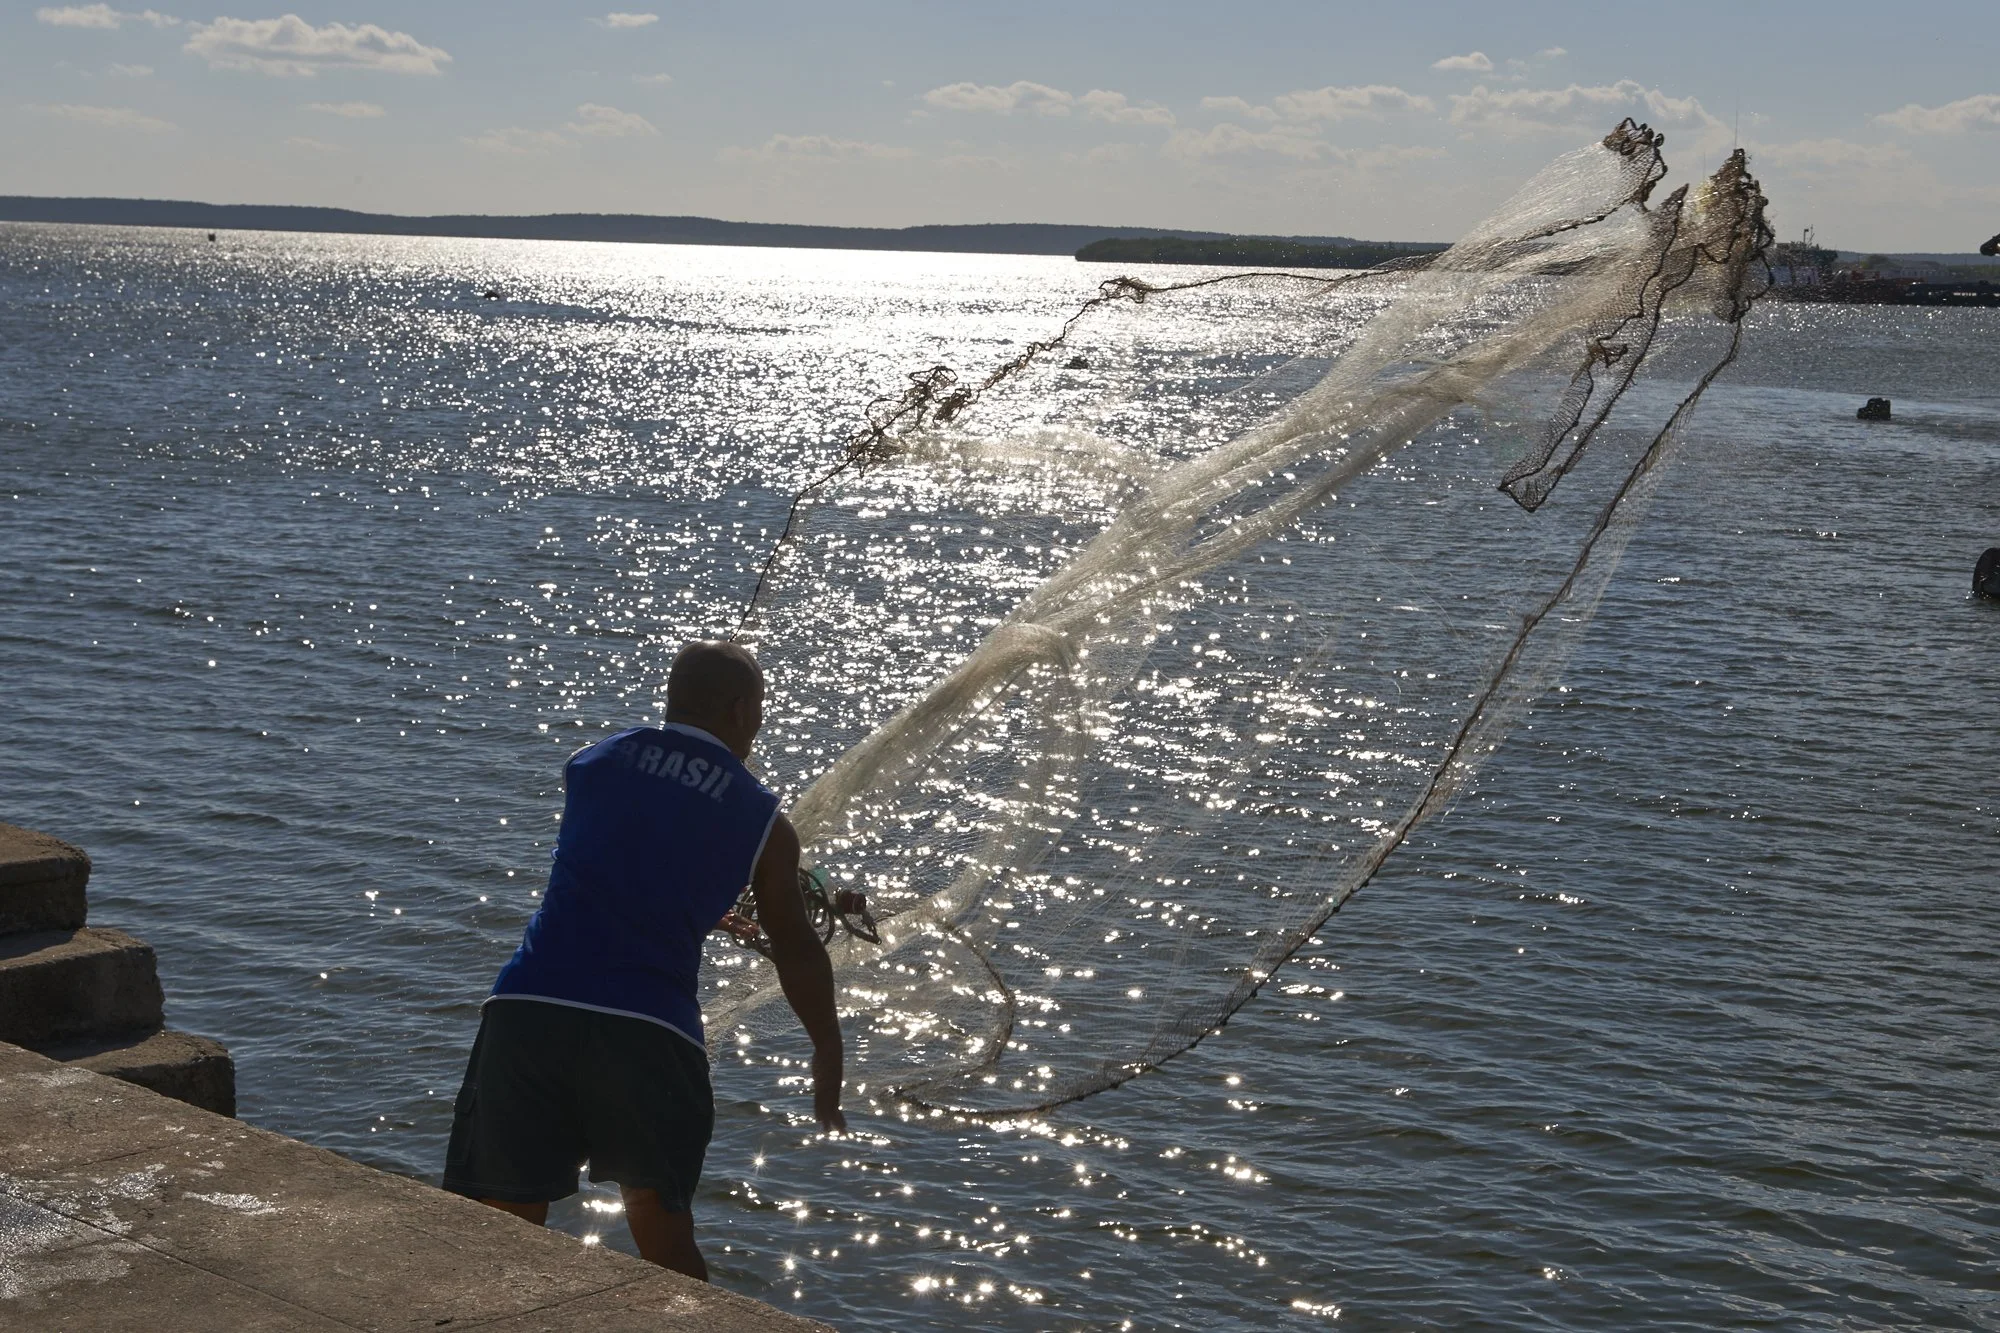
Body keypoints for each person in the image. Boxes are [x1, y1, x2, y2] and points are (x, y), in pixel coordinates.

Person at [441, 640, 844, 1280]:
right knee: (664, 1241)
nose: (759, 724)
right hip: (649, 1032)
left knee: (503, 1231)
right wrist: (826, 1046)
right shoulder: (764, 818)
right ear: (740, 708)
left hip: (527, 1011)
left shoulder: (591, 763)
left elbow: (628, 855)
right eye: (759, 708)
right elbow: (795, 945)